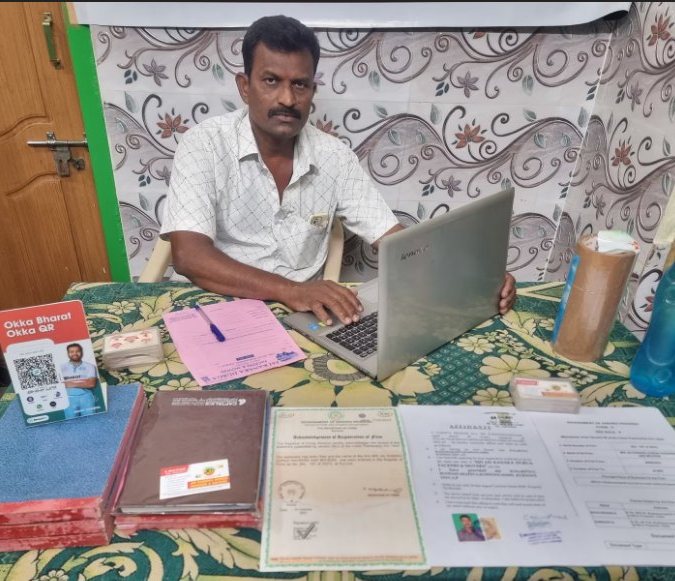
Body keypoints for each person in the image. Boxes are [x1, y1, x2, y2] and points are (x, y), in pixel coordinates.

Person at [161, 15, 517, 327]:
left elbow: (396, 242)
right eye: (271, 81)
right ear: (244, 86)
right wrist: (290, 290)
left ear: (312, 90)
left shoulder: (334, 157)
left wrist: (475, 275)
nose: (287, 99)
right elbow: (190, 256)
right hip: (216, 309)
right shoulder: (204, 144)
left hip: (303, 319)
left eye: (300, 84)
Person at [60, 343, 99, 418]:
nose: (75, 353)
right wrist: (84, 383)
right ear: (68, 353)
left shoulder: (90, 366)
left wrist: (72, 384)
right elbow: (60, 385)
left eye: (77, 351)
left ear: (81, 352)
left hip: (86, 396)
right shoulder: (61, 367)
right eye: (72, 352)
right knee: (71, 422)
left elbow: (91, 384)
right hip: (68, 398)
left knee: (91, 420)